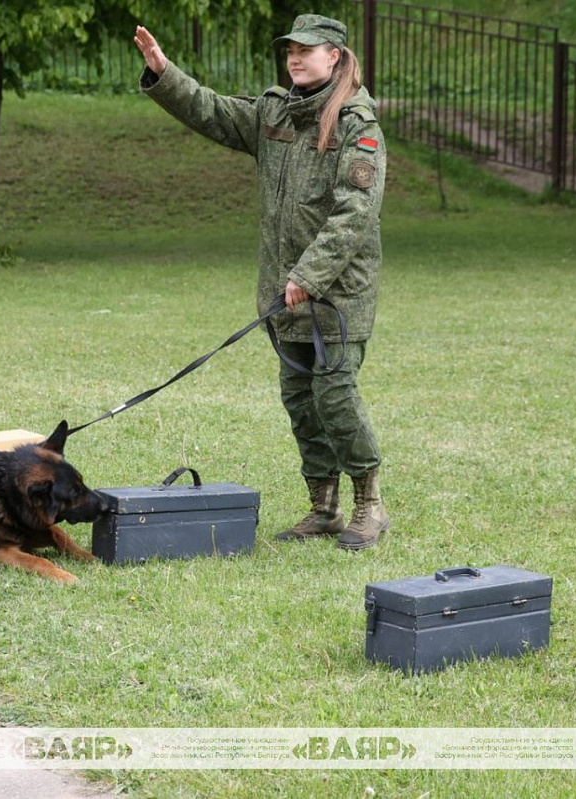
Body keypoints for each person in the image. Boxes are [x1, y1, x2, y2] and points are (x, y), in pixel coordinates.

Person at [134, 15, 390, 550]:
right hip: (285, 293)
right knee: (299, 399)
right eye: (290, 49)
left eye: (306, 50)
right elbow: (212, 111)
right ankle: (324, 508)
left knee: (335, 395)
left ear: (335, 57)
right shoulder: (276, 112)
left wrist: (310, 275)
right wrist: (164, 72)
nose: (294, 58)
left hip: (337, 294)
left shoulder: (357, 124)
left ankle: (370, 505)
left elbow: (355, 213)